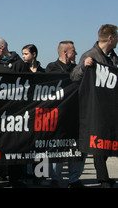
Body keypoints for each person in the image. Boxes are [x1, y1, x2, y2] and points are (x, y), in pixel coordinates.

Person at [70, 24, 118, 188]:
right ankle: (103, 178)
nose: (117, 40)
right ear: (110, 38)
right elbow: (74, 76)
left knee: (107, 140)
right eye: (116, 36)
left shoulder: (113, 57)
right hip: (94, 106)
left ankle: (104, 177)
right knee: (98, 141)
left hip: (109, 106)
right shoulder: (90, 55)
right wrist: (84, 66)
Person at [0, 37, 30, 188]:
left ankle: (17, 178)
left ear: (2, 48)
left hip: (15, 114)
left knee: (15, 146)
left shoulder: (20, 65)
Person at [45, 40, 85, 188]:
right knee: (57, 149)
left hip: (76, 115)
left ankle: (74, 179)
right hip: (59, 116)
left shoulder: (77, 69)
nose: (76, 53)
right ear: (65, 52)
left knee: (78, 148)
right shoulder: (51, 68)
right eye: (73, 50)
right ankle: (55, 178)